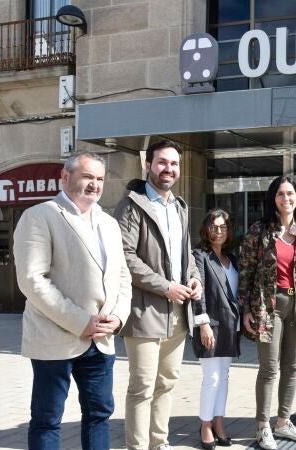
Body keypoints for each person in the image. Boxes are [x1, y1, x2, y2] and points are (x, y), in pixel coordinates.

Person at [13, 152, 131, 449]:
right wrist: (81, 322)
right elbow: (32, 279)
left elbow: (123, 276)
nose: (95, 184)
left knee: (99, 415)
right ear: (65, 177)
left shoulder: (109, 223)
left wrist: (118, 317)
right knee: (47, 418)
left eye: (100, 178)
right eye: (88, 176)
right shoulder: (40, 215)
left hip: (101, 340)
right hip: (55, 337)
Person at [114, 140, 202, 450]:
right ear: (148, 165)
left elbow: (186, 255)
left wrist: (194, 278)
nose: (169, 169)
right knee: (142, 387)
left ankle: (159, 442)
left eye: (174, 164)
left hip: (178, 311)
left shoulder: (179, 207)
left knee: (167, 382)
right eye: (162, 162)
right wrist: (166, 286)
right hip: (144, 312)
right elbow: (125, 257)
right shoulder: (131, 205)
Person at [240, 175, 296, 450]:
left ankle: (283, 422)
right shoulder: (259, 231)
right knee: (269, 369)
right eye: (280, 194)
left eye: (290, 193)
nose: (286, 198)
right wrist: (245, 309)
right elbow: (246, 271)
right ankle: (263, 426)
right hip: (268, 306)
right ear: (273, 199)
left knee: (292, 368)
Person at [192, 209, 241, 449]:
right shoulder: (200, 255)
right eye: (214, 227)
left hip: (230, 326)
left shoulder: (232, 258)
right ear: (206, 229)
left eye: (223, 227)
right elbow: (198, 291)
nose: (218, 231)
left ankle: (219, 423)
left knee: (223, 377)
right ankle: (205, 425)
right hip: (210, 325)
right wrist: (203, 324)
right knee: (211, 378)